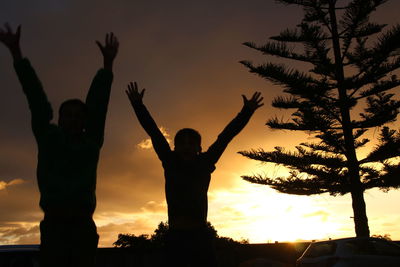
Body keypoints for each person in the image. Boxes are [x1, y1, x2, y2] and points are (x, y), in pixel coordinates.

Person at [0, 23, 119, 267]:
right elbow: (35, 97)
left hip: (83, 225)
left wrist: (107, 67)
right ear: (60, 119)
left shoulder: (91, 142)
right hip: (54, 224)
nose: (74, 119)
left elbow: (99, 105)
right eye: (68, 115)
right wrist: (16, 54)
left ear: (85, 122)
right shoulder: (48, 138)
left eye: (79, 116)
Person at [126, 81, 263, 266]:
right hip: (175, 236)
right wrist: (138, 105)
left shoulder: (205, 162)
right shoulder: (170, 161)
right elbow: (154, 132)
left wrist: (246, 111)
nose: (187, 147)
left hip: (200, 236)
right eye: (182, 143)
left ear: (199, 148)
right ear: (174, 148)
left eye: (191, 144)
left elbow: (226, 136)